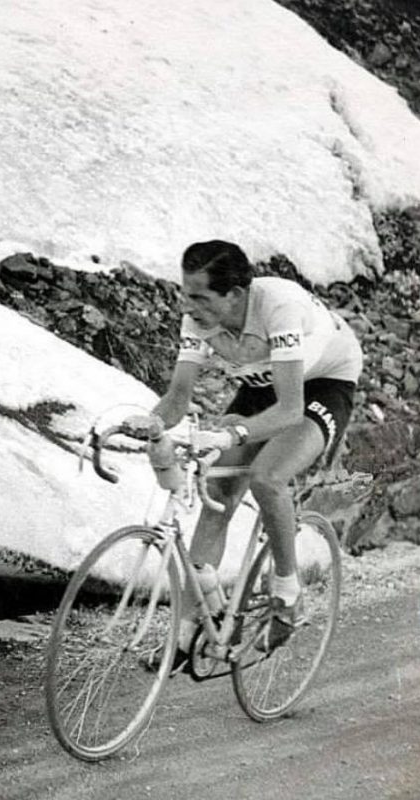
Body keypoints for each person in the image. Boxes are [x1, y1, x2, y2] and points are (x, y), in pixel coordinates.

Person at [125, 240, 362, 669]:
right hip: (263, 383)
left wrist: (233, 432)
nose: (188, 306)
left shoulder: (279, 307)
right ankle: (196, 627)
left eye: (199, 296)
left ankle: (288, 592)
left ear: (234, 295)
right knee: (218, 485)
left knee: (268, 477)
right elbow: (178, 397)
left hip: (322, 383)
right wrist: (150, 422)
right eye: (185, 293)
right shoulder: (199, 320)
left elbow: (290, 410)